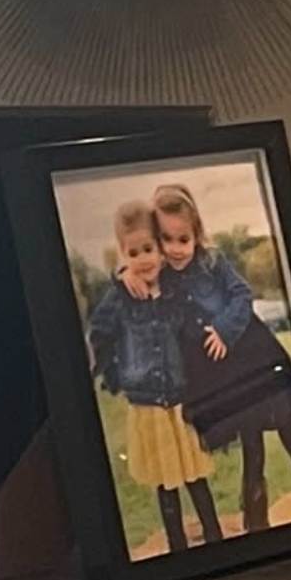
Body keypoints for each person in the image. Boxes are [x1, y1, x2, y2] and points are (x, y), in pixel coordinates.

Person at [152, 181, 291, 538]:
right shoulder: (163, 279)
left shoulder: (213, 261)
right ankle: (256, 523)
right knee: (251, 437)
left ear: (196, 234)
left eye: (183, 239)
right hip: (227, 375)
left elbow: (241, 294)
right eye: (166, 239)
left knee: (285, 423)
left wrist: (223, 328)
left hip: (252, 355)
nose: (175, 249)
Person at [82, 202, 219, 556]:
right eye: (133, 252)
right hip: (147, 404)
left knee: (195, 474)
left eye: (148, 248)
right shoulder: (120, 297)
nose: (143, 258)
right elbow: (99, 332)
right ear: (123, 255)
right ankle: (176, 548)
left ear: (160, 246)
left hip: (181, 399)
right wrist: (115, 376)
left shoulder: (176, 288)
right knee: (164, 481)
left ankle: (215, 537)